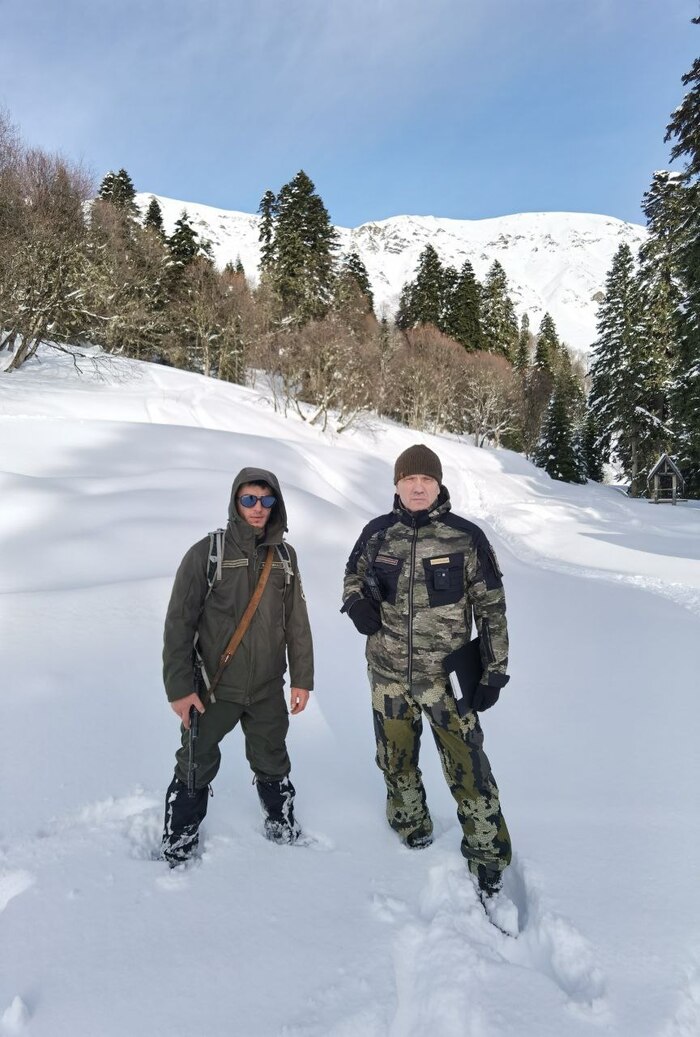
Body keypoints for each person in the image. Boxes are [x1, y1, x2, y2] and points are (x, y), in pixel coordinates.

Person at [341, 444, 512, 903]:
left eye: (426, 480)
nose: (418, 487)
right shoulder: (377, 533)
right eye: (409, 479)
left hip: (446, 679)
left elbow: (492, 609)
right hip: (387, 672)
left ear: (438, 485)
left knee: (468, 765)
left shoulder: (465, 538)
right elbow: (353, 575)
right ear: (397, 484)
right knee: (394, 758)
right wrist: (355, 603)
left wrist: (494, 671)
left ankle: (487, 853)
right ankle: (409, 823)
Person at [159, 467, 313, 866]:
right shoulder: (207, 554)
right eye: (249, 499)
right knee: (195, 761)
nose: (258, 508)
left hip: (267, 688)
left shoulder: (285, 557)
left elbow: (296, 622)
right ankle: (179, 841)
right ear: (235, 502)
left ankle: (280, 822)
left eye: (266, 500)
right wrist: (180, 688)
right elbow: (179, 623)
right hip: (213, 688)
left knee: (272, 757)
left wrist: (302, 679)